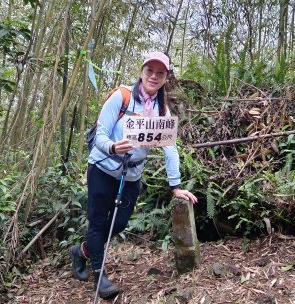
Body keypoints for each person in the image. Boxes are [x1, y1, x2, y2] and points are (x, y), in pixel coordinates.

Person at [69, 51, 198, 299]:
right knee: (97, 223)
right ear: (142, 72)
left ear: (165, 78)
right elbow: (100, 135)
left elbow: (170, 148)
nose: (154, 76)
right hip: (103, 169)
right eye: (150, 71)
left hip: (130, 176)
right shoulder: (122, 97)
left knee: (119, 223)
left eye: (160, 73)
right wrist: (113, 147)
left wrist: (176, 186)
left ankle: (82, 251)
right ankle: (99, 276)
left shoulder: (162, 111)